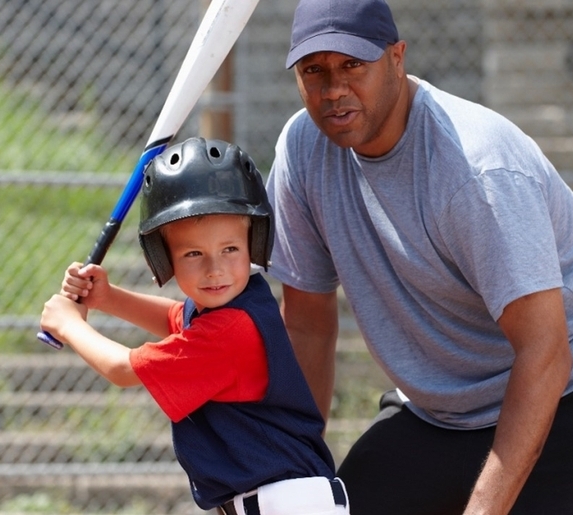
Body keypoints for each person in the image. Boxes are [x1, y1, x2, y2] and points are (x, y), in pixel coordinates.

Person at [265, 0, 573, 513]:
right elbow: (307, 327)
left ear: (397, 58)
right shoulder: (303, 151)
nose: (333, 89)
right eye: (314, 71)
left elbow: (545, 351)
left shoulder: (476, 168)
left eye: (354, 64)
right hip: (447, 409)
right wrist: (292, 471)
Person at [40, 137, 350, 515]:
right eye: (193, 254)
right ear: (164, 258)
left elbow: (122, 370)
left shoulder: (231, 331)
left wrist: (70, 325)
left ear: (252, 242)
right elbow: (175, 319)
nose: (215, 268)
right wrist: (108, 297)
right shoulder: (235, 305)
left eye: (230, 249)